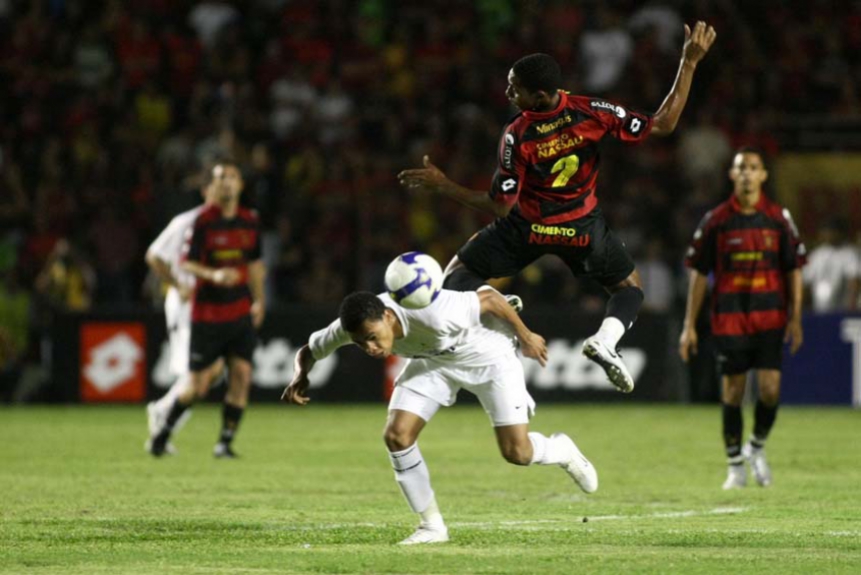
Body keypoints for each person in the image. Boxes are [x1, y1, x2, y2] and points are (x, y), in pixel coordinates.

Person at [398, 22, 716, 394]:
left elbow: (500, 207)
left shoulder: (517, 133)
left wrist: (444, 185)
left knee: (457, 275)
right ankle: (606, 341)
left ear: (540, 96)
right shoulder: (592, 110)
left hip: (525, 228)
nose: (507, 92)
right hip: (582, 228)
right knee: (629, 289)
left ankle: (494, 306)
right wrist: (688, 62)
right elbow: (663, 124)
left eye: (515, 88)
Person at [282, 286, 598, 545]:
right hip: (433, 364)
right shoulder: (350, 325)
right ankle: (431, 526)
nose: (369, 347)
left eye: (373, 336)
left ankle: (562, 450)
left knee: (517, 452)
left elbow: (488, 297)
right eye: (360, 342)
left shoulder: (428, 308)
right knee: (396, 435)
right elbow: (308, 351)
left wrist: (526, 336)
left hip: (488, 357)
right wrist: (299, 376)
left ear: (388, 315)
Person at [679, 148, 806, 490]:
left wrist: (795, 318)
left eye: (753, 168)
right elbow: (698, 273)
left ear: (763, 175)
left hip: (769, 317)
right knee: (733, 393)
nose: (747, 173)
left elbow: (794, 268)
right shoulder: (717, 220)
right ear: (732, 175)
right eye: (741, 168)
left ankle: (757, 448)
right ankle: (735, 465)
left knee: (769, 390)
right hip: (730, 319)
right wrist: (689, 325)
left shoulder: (778, 218)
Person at [149, 160, 266, 458]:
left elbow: (254, 265)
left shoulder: (250, 221)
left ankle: (224, 443)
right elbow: (173, 259)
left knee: (241, 373)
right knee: (198, 383)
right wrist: (203, 278)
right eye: (220, 178)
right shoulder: (197, 221)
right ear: (209, 187)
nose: (226, 182)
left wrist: (259, 300)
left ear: (240, 184)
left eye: (232, 177)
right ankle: (163, 424)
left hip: (238, 311)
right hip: (203, 312)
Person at [143, 179, 224, 454]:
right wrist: (177, 285)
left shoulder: (230, 225)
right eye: (218, 183)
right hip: (187, 306)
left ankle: (164, 410)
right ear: (205, 191)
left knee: (212, 370)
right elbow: (154, 255)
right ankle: (163, 418)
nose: (224, 189)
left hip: (213, 306)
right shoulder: (186, 222)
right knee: (201, 374)